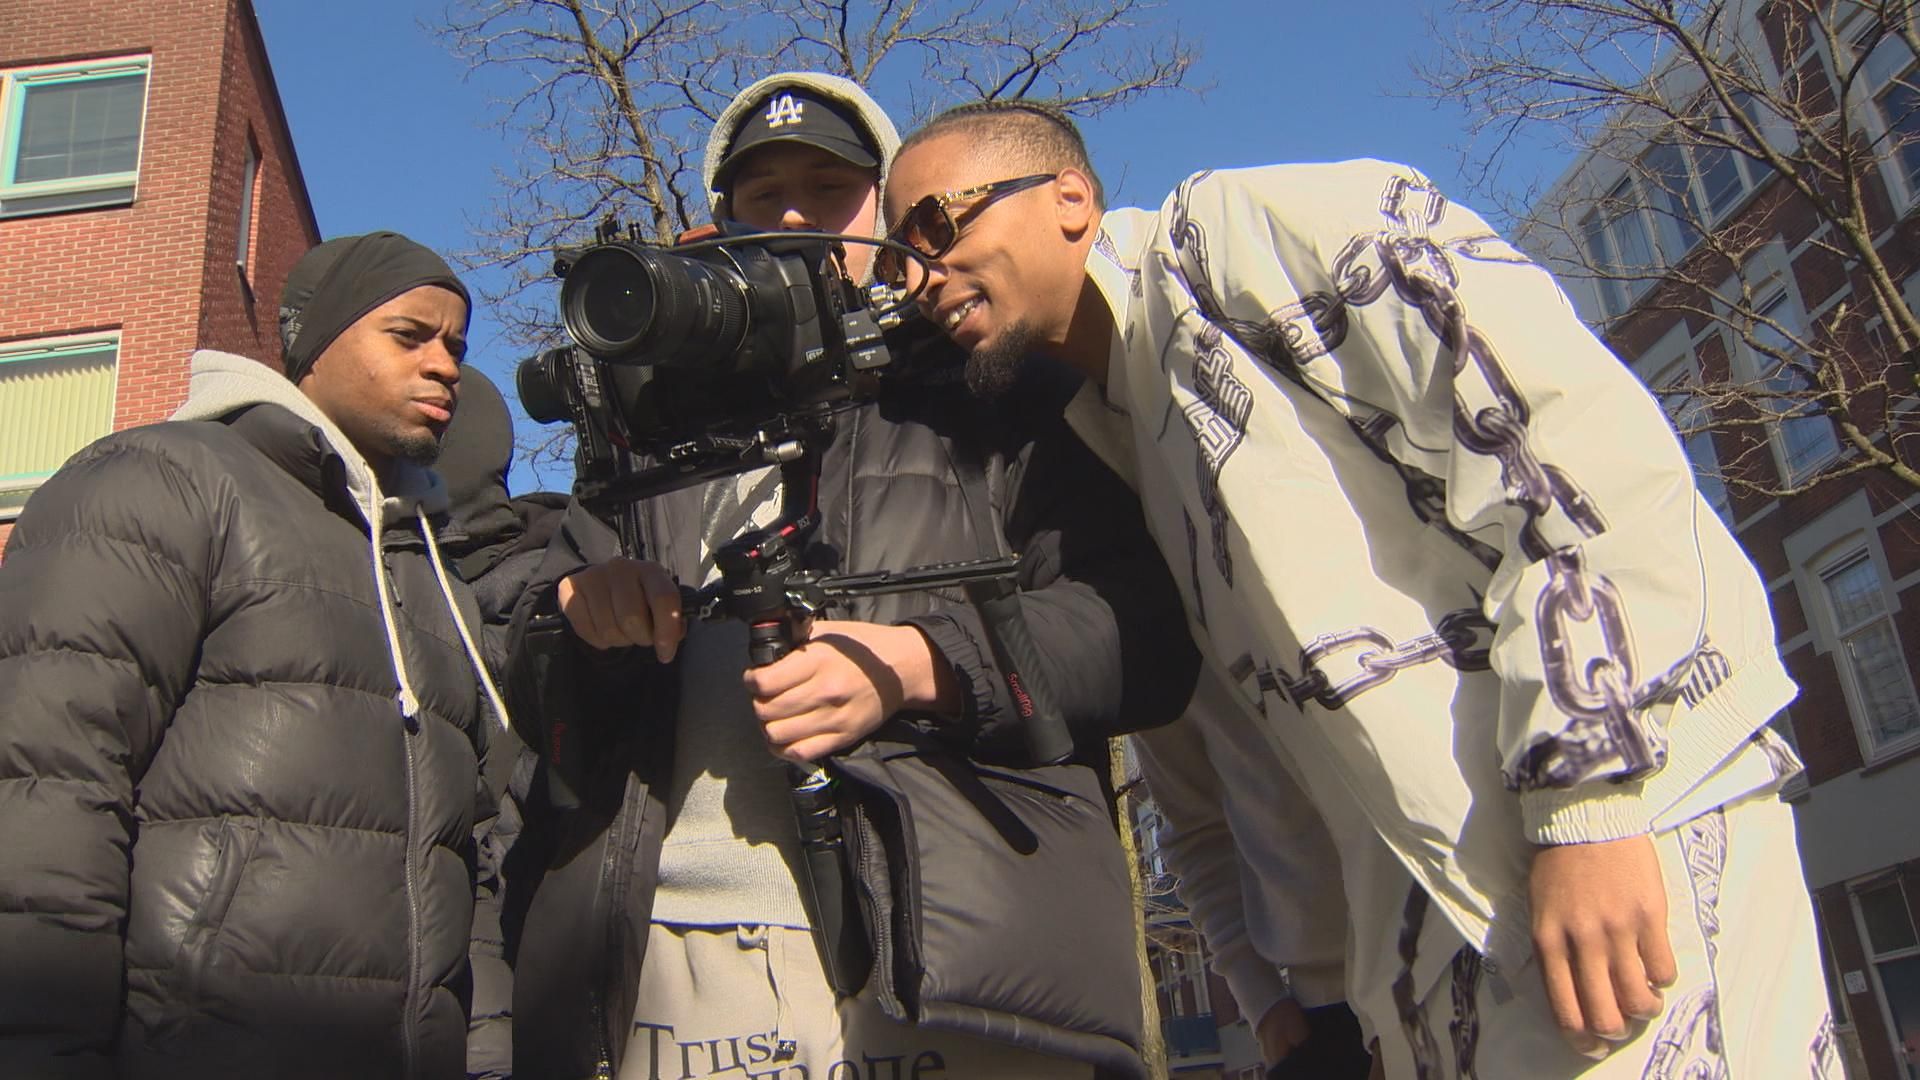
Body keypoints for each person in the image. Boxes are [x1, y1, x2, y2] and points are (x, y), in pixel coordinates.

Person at [882, 102, 1830, 1078]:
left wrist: (1591, 804)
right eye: (895, 258)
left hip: (1622, 834)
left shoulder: (1228, 238)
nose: (916, 277)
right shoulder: (1111, 431)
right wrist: (1314, 993)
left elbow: (1562, 447)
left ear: (1070, 199)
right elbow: (1217, 766)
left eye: (936, 226)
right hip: (1438, 953)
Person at [498, 73, 1199, 1080]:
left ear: (887, 215)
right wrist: (586, 623)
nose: (792, 216)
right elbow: (541, 699)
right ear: (721, 219)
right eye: (763, 194)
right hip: (678, 962)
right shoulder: (648, 422)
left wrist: (919, 665)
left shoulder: (993, 381)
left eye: (828, 189)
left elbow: (1146, 633)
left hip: (957, 970)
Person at [0, 232, 506, 1080]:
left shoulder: (429, 575)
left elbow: (466, 858)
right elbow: (44, 788)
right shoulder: (163, 481)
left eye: (456, 345)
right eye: (410, 335)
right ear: (317, 342)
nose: (445, 366)